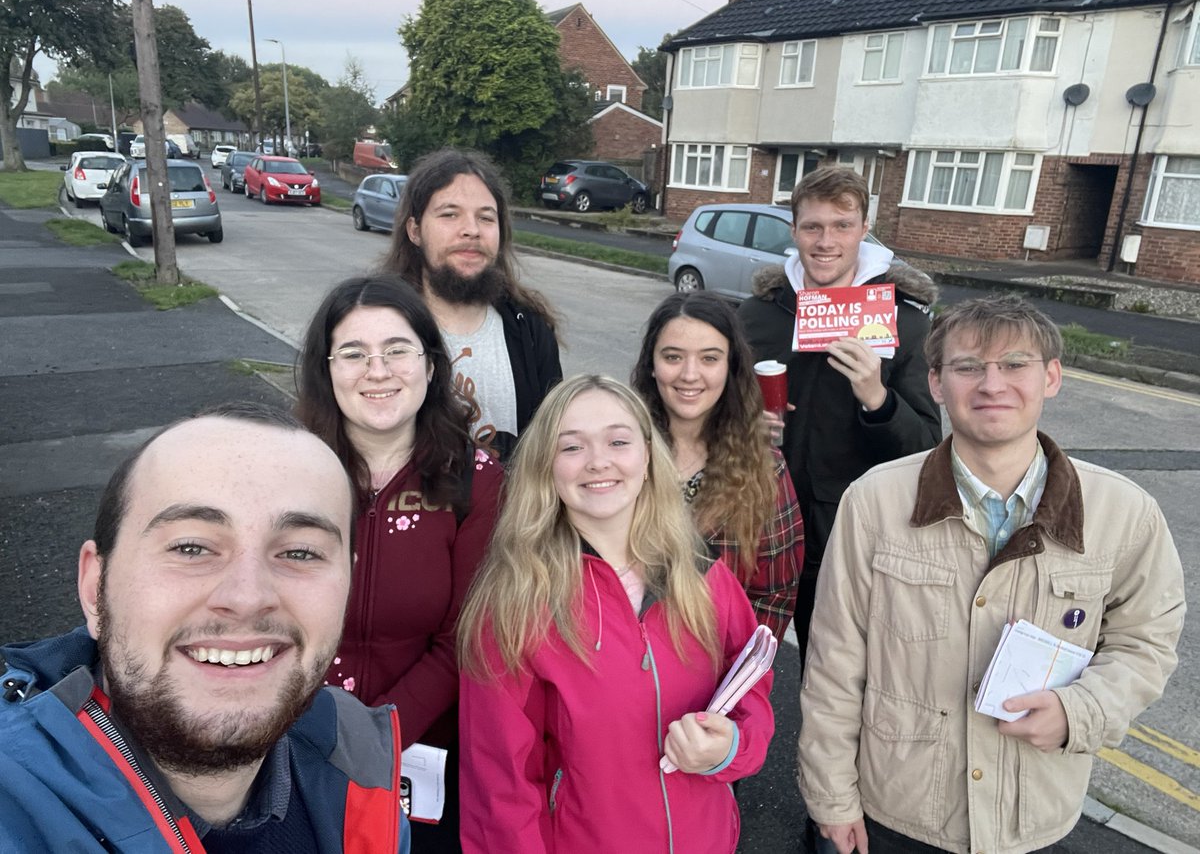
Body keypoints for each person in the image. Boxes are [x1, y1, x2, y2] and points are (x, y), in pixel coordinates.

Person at [798, 296, 1186, 854]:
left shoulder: (1124, 512)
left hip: (1036, 816)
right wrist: (831, 798)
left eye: (1015, 364)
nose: (991, 384)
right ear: (935, 382)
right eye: (968, 366)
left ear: (1052, 377)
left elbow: (1146, 641)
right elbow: (834, 663)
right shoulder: (874, 502)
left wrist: (1084, 710)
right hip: (901, 814)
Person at [0, 402, 411, 853]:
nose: (246, 597)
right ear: (95, 587)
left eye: (300, 553)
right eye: (192, 547)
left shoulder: (358, 766)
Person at [457, 375, 775, 854]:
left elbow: (750, 690)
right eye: (572, 447)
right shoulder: (515, 605)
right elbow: (501, 787)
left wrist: (729, 747)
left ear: (647, 458)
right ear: (547, 467)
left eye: (618, 441)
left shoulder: (702, 577)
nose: (598, 461)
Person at [296, 274, 503, 853]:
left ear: (431, 365)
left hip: (424, 755)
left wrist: (373, 740)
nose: (377, 370)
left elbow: (466, 640)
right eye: (354, 353)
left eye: (396, 350)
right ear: (327, 368)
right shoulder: (284, 471)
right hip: (291, 738)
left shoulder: (477, 479)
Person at [738, 165, 943, 660]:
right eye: (812, 226)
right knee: (733, 662)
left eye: (841, 226)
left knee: (831, 671)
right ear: (793, 231)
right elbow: (704, 417)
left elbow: (925, 448)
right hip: (755, 521)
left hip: (846, 533)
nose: (825, 240)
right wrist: (742, 424)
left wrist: (878, 397)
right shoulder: (757, 315)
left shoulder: (905, 323)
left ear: (864, 229)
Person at [631, 290, 803, 641]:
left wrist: (733, 675)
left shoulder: (762, 465)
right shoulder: (620, 451)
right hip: (617, 667)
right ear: (652, 363)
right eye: (673, 356)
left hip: (713, 674)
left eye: (709, 359)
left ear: (730, 367)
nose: (690, 374)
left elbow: (775, 593)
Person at [383, 147, 563, 461]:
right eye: (450, 214)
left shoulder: (530, 329)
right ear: (414, 230)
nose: (472, 230)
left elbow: (552, 445)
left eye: (486, 217)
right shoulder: (379, 326)